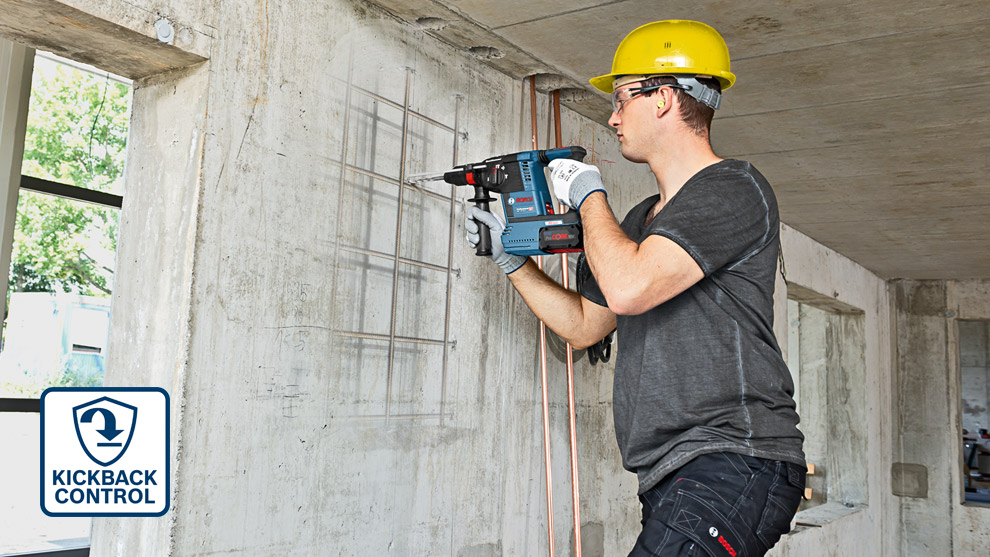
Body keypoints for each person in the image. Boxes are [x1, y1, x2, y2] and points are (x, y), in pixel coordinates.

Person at [464, 20, 806, 556]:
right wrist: (513, 264)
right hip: (674, 473)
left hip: (732, 456)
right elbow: (586, 325)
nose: (613, 115)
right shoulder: (641, 221)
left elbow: (628, 288)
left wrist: (587, 192)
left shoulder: (734, 188)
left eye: (623, 98)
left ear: (665, 99)